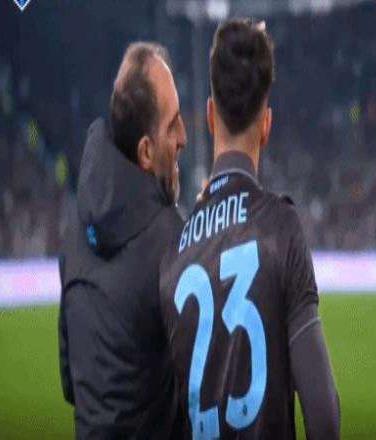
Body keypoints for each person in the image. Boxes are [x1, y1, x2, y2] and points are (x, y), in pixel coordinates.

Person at [159, 19, 340, 440]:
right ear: (267, 125)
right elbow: (324, 417)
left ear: (209, 116)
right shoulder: (281, 227)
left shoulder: (173, 254)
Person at [58, 41, 187, 439]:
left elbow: (71, 381)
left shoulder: (74, 233)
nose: (183, 136)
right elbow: (206, 387)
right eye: (173, 125)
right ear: (145, 152)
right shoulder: (172, 239)